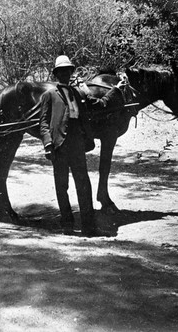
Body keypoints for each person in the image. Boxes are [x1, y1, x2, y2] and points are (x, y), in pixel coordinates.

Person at [39, 55, 126, 236]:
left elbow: (100, 104)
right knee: (62, 186)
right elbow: (44, 123)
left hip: (77, 144)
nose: (65, 74)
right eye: (62, 71)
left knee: (83, 184)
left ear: (71, 73)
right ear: (57, 74)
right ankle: (67, 224)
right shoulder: (49, 95)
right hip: (59, 146)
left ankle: (89, 227)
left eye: (68, 71)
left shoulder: (78, 93)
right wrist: (48, 144)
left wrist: (116, 91)